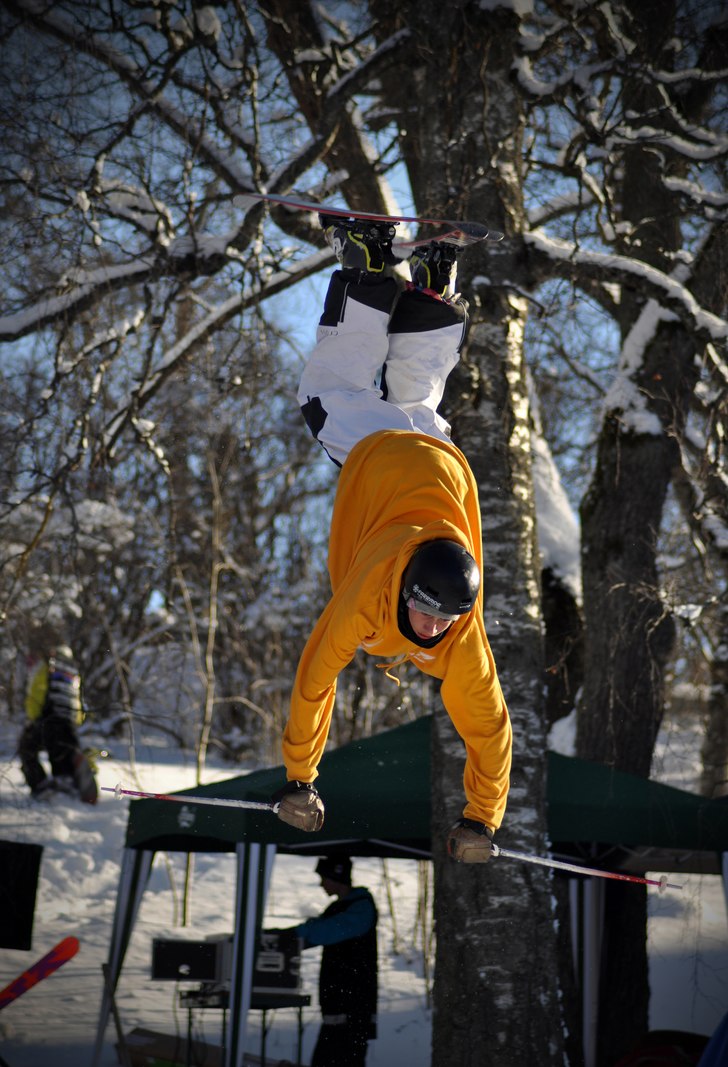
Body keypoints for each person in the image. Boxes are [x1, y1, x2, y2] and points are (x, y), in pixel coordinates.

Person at [273, 217, 512, 862]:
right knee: (332, 391)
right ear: (403, 586)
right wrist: (299, 778)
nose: (431, 629)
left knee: (416, 394)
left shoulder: (462, 630)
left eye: (439, 619)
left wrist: (482, 819)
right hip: (376, 449)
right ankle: (367, 268)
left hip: (436, 452)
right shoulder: (369, 593)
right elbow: (315, 679)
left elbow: (488, 729)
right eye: (426, 611)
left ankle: (434, 287)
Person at [292, 856, 377, 1067]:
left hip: (353, 1008)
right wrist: (284, 938)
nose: (321, 884)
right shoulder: (338, 907)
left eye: (324, 878)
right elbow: (316, 932)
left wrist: (291, 935)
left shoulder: (361, 907)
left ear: (336, 877)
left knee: (344, 1059)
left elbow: (326, 931)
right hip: (337, 1004)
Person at [18, 642, 98, 804]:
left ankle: (42, 787)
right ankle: (69, 785)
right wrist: (74, 723)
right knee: (63, 755)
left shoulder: (48, 666)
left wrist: (32, 718)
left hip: (49, 718)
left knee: (26, 748)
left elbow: (36, 692)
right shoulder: (74, 674)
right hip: (69, 722)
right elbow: (79, 704)